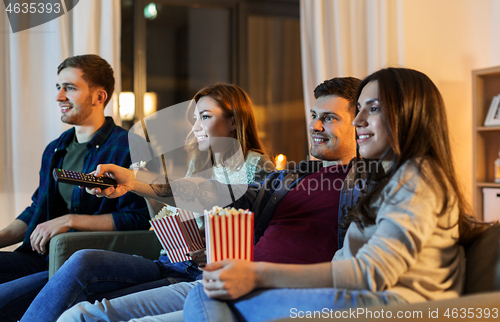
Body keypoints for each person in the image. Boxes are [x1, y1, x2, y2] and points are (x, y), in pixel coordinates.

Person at [179, 67, 487, 322]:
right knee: (207, 292)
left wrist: (257, 274)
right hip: (361, 300)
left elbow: (371, 272)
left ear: (408, 115)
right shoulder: (389, 176)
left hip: (384, 305)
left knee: (205, 292)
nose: (357, 121)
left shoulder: (417, 176)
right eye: (359, 109)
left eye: (373, 108)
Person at [56, 77, 361, 322]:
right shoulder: (293, 176)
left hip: (251, 287)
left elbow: (355, 267)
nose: (315, 126)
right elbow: (218, 198)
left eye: (329, 118)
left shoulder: (366, 185)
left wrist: (248, 271)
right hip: (215, 277)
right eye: (314, 116)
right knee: (81, 314)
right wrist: (136, 182)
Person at [20, 84, 275, 322]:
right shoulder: (199, 165)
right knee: (82, 260)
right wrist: (145, 191)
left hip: (195, 273)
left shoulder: (256, 166)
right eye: (195, 118)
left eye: (205, 117)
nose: (195, 126)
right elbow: (169, 217)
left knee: (90, 309)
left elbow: (265, 232)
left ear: (233, 120)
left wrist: (217, 250)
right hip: (169, 261)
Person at [0, 54, 150, 321]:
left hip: (82, 264)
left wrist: (69, 221)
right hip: (41, 257)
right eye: (58, 87)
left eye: (69, 88)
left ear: (99, 96)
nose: (59, 96)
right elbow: (37, 208)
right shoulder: (56, 148)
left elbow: (137, 219)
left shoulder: (129, 146)